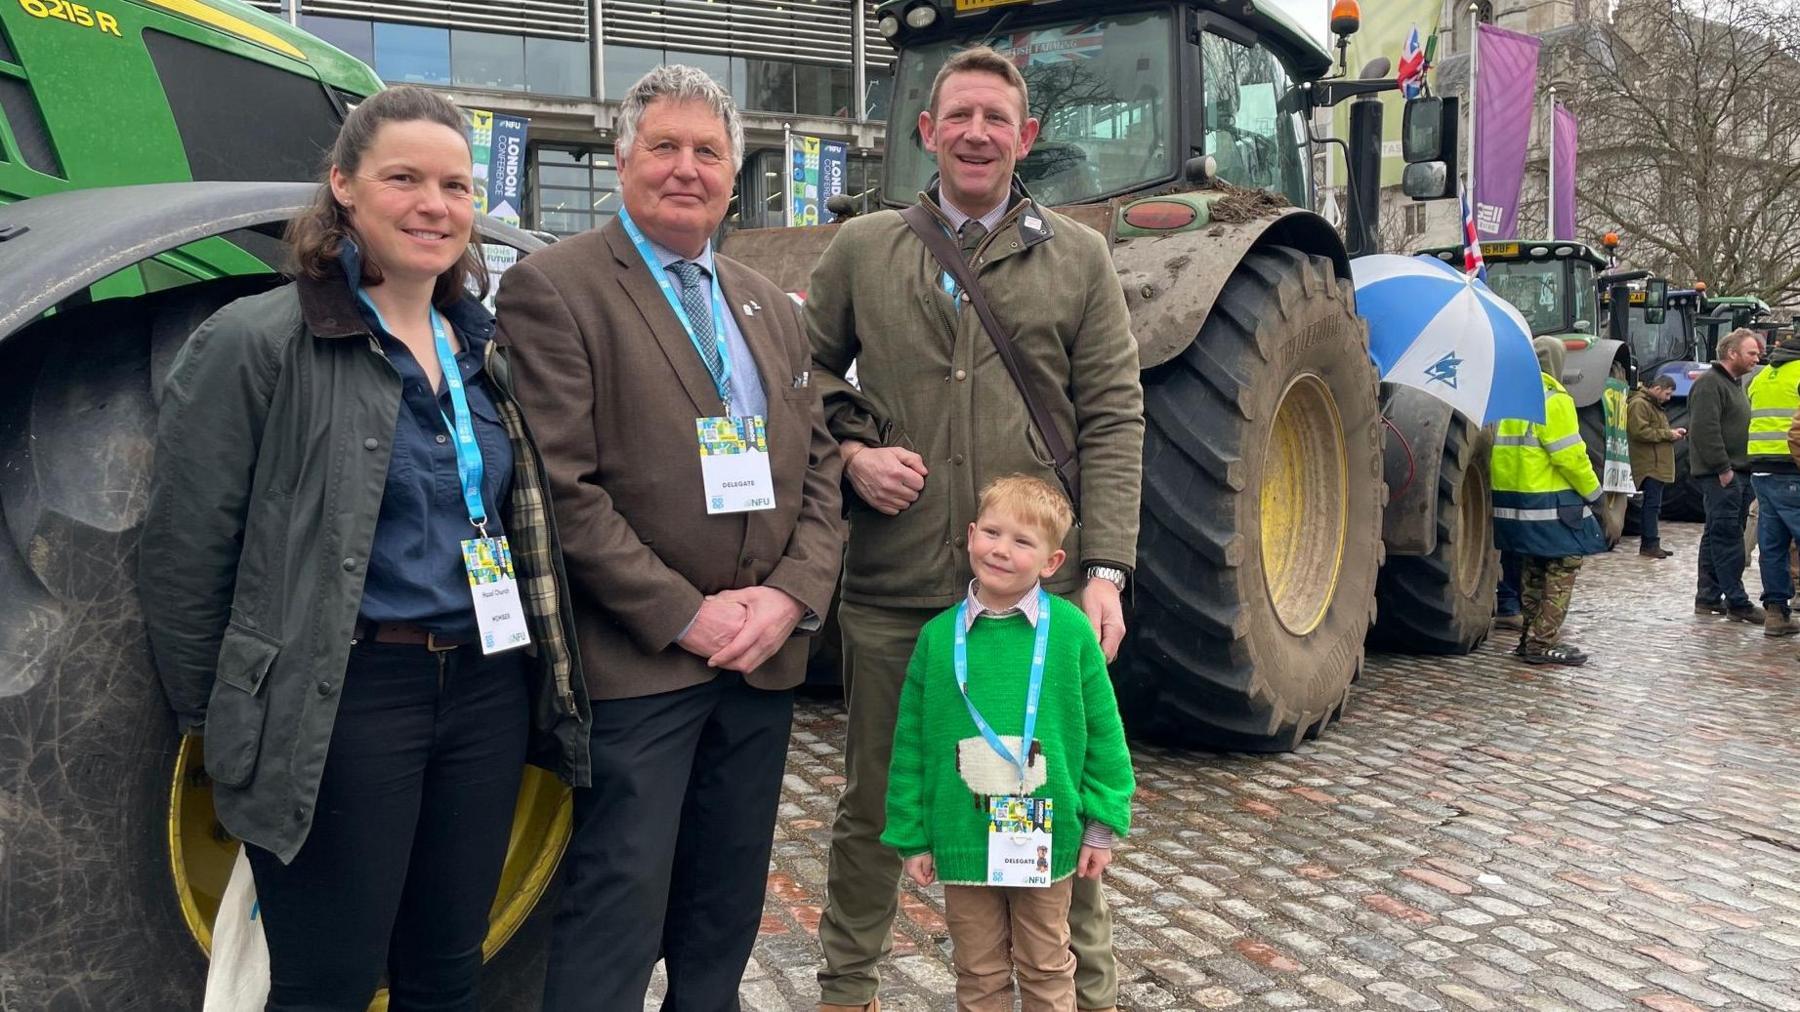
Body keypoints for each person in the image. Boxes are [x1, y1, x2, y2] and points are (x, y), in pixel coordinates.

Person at [139, 86, 591, 1010]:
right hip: (339, 702)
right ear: (343, 186)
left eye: (457, 186)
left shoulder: (480, 351)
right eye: (405, 179)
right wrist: (233, 724)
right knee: (329, 984)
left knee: (448, 971)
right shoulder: (258, 344)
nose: (436, 205)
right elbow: (188, 563)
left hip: (482, 689)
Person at [495, 65, 843, 1011]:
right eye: (665, 147)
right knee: (617, 911)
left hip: (760, 662)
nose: (687, 169)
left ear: (736, 174)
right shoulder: (554, 290)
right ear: (621, 161)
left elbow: (818, 469)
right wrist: (687, 617)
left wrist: (788, 597)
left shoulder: (767, 302)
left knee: (721, 915)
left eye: (709, 152)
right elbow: (560, 490)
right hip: (643, 666)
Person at [804, 45, 1144, 1012]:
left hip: (1034, 609)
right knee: (875, 806)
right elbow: (801, 381)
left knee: (1054, 802)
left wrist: (1107, 569)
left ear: (1025, 136)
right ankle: (846, 992)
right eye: (959, 116)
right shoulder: (864, 249)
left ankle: (1084, 996)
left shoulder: (1076, 257)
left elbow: (1115, 413)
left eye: (997, 118)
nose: (977, 133)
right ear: (927, 131)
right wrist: (849, 456)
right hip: (895, 589)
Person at [883, 475, 1134, 1012]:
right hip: (962, 838)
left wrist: (1101, 824)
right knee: (977, 973)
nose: (1001, 549)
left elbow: (1105, 735)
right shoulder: (936, 638)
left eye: (1023, 542)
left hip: (1044, 840)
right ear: (971, 535)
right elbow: (911, 746)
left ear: (1052, 561)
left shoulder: (1069, 634)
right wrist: (912, 835)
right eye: (992, 533)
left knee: (1046, 966)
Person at [1490, 336, 1608, 665]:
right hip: (1550, 505)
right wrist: (1596, 496)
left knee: (1533, 570)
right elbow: (1571, 458)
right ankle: (1540, 644)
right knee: (1563, 567)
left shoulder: (1510, 399)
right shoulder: (1553, 399)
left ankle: (1529, 636)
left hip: (1514, 506)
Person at [1689, 327, 1765, 623]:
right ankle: (1737, 602)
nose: (1757, 358)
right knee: (1728, 538)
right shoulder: (1710, 384)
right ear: (1732, 353)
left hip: (1736, 473)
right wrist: (1723, 469)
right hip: (1724, 475)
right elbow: (1705, 431)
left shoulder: (1732, 384)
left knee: (1716, 535)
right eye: (1752, 353)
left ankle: (1708, 597)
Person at [1748, 332, 1800, 635]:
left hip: (1761, 467)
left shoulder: (1763, 375)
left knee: (1772, 543)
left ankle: (1776, 614)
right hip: (1792, 464)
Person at [1627, 374, 1686, 559]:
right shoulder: (1640, 404)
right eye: (1667, 394)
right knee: (1651, 506)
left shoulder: (1652, 405)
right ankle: (1649, 544)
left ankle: (1652, 543)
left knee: (1654, 506)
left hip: (1655, 463)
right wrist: (1668, 434)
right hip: (1649, 464)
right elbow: (1639, 431)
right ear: (1658, 388)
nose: (1669, 398)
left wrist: (1672, 433)